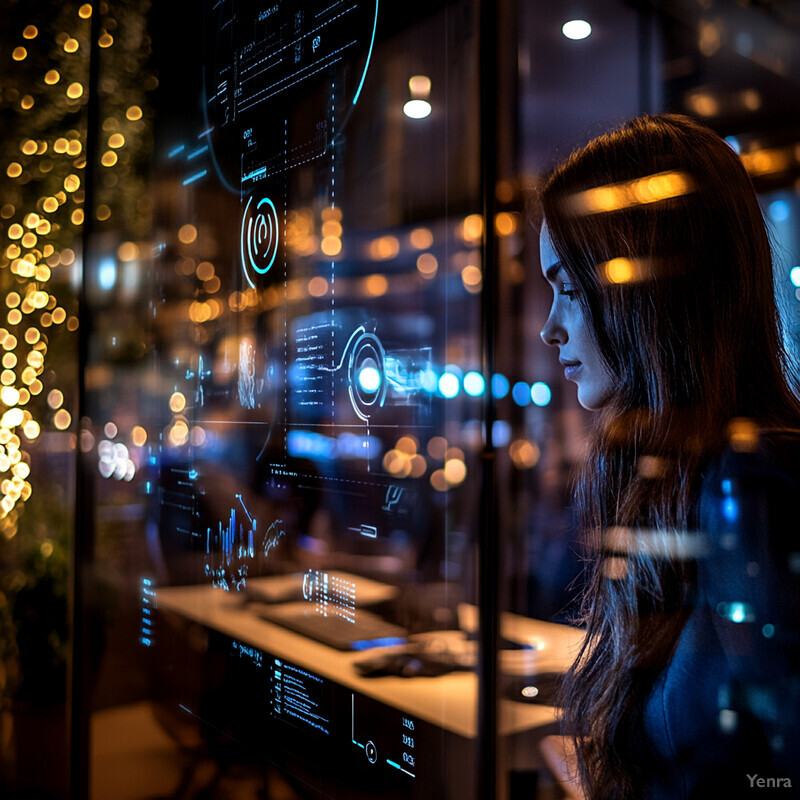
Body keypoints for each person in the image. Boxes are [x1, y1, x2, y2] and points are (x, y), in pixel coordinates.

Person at [537, 113, 800, 799]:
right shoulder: (678, 475)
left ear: (646, 289)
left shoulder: (751, 482)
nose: (548, 327)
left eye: (568, 287)